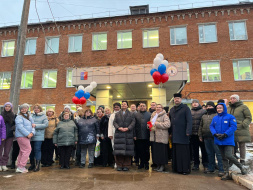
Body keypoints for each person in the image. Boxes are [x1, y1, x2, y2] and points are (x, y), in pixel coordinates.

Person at [210, 103, 247, 180]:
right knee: (223, 157)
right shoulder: (215, 118)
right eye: (217, 108)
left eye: (220, 108)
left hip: (228, 140)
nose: (219, 109)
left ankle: (241, 167)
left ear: (224, 108)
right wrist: (215, 134)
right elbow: (211, 126)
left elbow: (233, 127)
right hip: (218, 140)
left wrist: (225, 134)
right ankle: (226, 172)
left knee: (229, 155)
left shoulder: (230, 117)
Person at [198, 101, 224, 176]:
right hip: (206, 137)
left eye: (210, 106)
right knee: (209, 154)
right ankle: (211, 168)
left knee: (218, 154)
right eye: (207, 106)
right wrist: (200, 135)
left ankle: (221, 169)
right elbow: (200, 126)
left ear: (214, 107)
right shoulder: (204, 116)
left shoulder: (217, 115)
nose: (208, 108)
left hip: (215, 138)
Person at [169, 93, 192, 175]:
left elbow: (189, 121)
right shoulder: (172, 109)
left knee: (183, 153)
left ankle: (184, 169)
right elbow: (170, 122)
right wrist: (170, 132)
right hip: (175, 135)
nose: (176, 100)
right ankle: (176, 168)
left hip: (183, 134)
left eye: (178, 98)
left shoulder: (186, 108)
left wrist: (188, 131)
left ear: (181, 99)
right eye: (175, 99)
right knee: (176, 153)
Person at [227, 94, 252, 165]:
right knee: (231, 144)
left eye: (234, 98)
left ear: (238, 99)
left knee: (242, 144)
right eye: (231, 98)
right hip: (231, 129)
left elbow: (248, 117)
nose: (232, 100)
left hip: (241, 129)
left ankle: (242, 159)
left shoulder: (244, 107)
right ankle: (232, 159)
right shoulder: (228, 108)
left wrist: (244, 124)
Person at [113, 101, 135, 171]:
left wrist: (128, 128)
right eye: (122, 104)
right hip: (119, 134)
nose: (123, 105)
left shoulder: (131, 114)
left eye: (125, 104)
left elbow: (133, 122)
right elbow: (114, 122)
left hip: (128, 134)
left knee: (128, 151)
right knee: (119, 151)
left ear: (127, 106)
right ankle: (119, 165)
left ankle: (126, 165)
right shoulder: (117, 114)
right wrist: (118, 127)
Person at [15, 104, 36, 173]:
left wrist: (32, 133)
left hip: (27, 136)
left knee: (22, 151)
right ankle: (21, 166)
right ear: (20, 110)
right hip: (21, 136)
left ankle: (19, 166)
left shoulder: (29, 116)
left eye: (25, 108)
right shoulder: (19, 117)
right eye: (22, 109)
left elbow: (33, 125)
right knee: (27, 150)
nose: (24, 110)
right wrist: (27, 134)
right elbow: (20, 127)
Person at [149, 104, 170, 172]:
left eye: (159, 107)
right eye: (157, 107)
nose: (158, 108)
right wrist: (149, 125)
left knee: (162, 152)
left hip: (162, 136)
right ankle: (158, 165)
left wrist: (157, 124)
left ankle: (162, 166)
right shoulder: (153, 115)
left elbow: (167, 125)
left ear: (162, 108)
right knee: (156, 152)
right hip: (154, 136)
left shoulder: (165, 115)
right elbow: (151, 123)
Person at [29, 104, 48, 172]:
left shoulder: (44, 116)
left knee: (37, 149)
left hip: (39, 136)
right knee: (30, 150)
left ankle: (37, 165)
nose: (36, 109)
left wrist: (36, 125)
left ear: (40, 109)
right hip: (30, 135)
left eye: (37, 108)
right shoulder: (31, 115)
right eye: (35, 108)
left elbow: (45, 125)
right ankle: (32, 164)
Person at [190, 99, 208, 171]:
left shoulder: (203, 111)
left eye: (196, 103)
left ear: (199, 103)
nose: (195, 104)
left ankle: (205, 163)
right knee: (195, 150)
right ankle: (196, 164)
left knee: (204, 149)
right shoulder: (189, 112)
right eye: (193, 103)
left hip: (201, 134)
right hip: (193, 134)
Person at [134, 103, 151, 170]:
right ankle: (141, 163)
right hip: (138, 136)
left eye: (143, 106)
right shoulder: (136, 115)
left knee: (147, 150)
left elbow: (151, 125)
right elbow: (134, 126)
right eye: (141, 106)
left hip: (147, 136)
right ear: (139, 107)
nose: (142, 107)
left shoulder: (149, 114)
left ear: (146, 107)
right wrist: (134, 135)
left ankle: (146, 163)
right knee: (139, 150)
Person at [0, 102, 15, 171]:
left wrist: (13, 128)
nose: (7, 107)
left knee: (7, 151)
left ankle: (4, 164)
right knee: (0, 150)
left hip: (10, 135)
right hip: (1, 136)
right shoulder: (1, 115)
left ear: (11, 108)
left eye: (9, 106)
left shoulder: (14, 115)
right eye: (6, 106)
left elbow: (16, 124)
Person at [108, 102, 121, 168]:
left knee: (120, 148)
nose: (116, 108)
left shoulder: (122, 114)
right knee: (114, 148)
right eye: (115, 107)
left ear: (119, 108)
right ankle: (116, 162)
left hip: (121, 133)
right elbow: (110, 125)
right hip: (113, 132)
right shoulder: (112, 115)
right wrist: (110, 134)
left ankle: (121, 163)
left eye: (117, 107)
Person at [149, 101, 157, 167]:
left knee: (157, 149)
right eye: (151, 105)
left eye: (154, 105)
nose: (152, 106)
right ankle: (154, 161)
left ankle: (157, 162)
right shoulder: (149, 113)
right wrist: (149, 126)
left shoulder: (158, 113)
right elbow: (149, 122)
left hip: (158, 134)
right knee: (152, 149)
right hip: (151, 133)